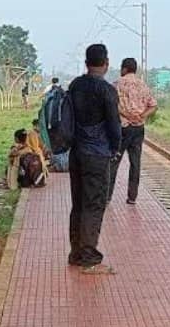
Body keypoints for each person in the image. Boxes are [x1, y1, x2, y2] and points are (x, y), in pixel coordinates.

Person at [67, 44, 122, 273]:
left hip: (76, 154)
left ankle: (76, 252)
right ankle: (89, 256)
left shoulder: (75, 86)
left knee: (78, 203)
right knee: (94, 204)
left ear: (86, 63)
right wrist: (115, 149)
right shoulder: (107, 90)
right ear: (106, 63)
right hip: (97, 155)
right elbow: (114, 126)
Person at [113, 57, 158, 205]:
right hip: (138, 128)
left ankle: (107, 196)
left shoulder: (117, 84)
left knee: (114, 161)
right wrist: (141, 116)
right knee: (135, 163)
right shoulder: (143, 85)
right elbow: (153, 106)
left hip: (123, 128)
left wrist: (127, 115)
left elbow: (112, 105)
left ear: (124, 69)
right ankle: (132, 197)